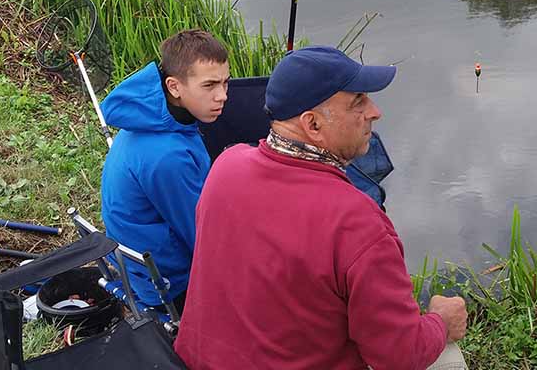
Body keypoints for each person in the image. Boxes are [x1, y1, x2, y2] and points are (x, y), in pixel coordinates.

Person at [175, 46, 469, 370]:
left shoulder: (225, 166)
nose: (375, 111)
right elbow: (400, 356)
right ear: (312, 125)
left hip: (199, 363)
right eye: (358, 102)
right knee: (449, 359)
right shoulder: (358, 224)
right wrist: (441, 322)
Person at [100, 29, 230, 313]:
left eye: (225, 83)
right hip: (168, 285)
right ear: (174, 87)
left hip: (146, 259)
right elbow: (203, 238)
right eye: (209, 86)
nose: (222, 96)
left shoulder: (152, 117)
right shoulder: (167, 156)